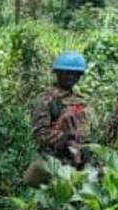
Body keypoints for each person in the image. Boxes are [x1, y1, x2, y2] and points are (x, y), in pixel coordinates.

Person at [26, 51, 90, 184]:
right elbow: (39, 133)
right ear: (58, 73)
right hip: (54, 161)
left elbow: (86, 130)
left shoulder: (80, 99)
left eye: (75, 73)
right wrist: (65, 138)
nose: (71, 76)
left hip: (79, 160)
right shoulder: (46, 100)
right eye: (67, 73)